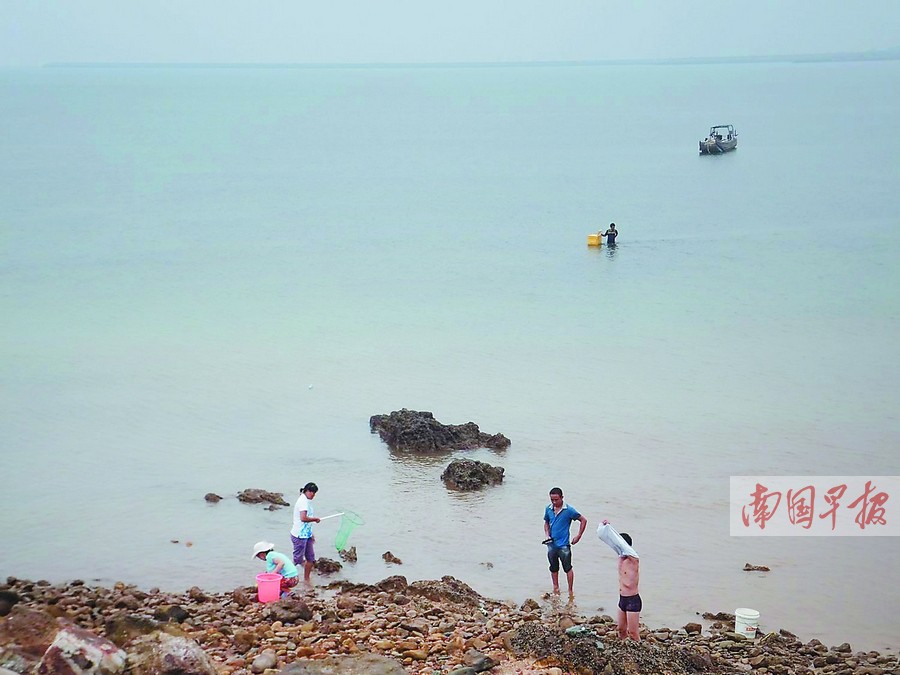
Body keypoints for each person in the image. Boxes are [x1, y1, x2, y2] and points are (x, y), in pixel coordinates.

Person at [543, 487, 588, 597]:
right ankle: (556, 588)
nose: (554, 502)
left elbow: (583, 520)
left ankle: (570, 591)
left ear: (562, 498)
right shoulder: (548, 509)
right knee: (553, 567)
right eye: (552, 500)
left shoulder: (569, 510)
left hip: (564, 544)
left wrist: (578, 536)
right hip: (551, 544)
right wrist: (547, 534)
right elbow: (546, 522)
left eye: (556, 500)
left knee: (567, 567)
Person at [603, 519, 641, 641]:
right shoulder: (620, 558)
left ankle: (641, 654)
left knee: (633, 633)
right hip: (622, 599)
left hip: (633, 600)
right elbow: (611, 542)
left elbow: (625, 547)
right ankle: (624, 653)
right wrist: (606, 527)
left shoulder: (633, 560)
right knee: (621, 630)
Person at [290, 482, 321, 582]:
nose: (314, 495)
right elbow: (303, 518)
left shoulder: (307, 501)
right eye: (312, 493)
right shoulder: (302, 501)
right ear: (307, 491)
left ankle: (307, 580)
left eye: (315, 493)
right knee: (297, 560)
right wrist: (315, 519)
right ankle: (285, 576)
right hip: (299, 535)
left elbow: (306, 522)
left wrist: (310, 534)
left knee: (311, 559)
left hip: (306, 535)